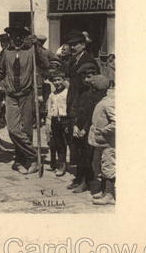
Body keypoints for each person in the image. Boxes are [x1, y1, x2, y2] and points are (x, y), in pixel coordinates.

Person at [0, 24, 49, 174]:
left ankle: (22, 160)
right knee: (12, 130)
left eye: (20, 35)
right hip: (11, 95)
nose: (17, 38)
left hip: (26, 94)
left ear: (24, 37)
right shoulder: (7, 52)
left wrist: (37, 46)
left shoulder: (31, 51)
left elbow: (45, 64)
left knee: (26, 130)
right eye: (13, 35)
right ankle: (34, 156)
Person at [68, 62, 105, 194]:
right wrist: (75, 126)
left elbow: (92, 114)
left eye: (89, 77)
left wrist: (84, 128)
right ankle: (79, 179)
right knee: (79, 154)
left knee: (88, 156)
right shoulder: (83, 92)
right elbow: (78, 110)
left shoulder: (98, 94)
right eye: (84, 77)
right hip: (80, 128)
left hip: (90, 129)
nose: (86, 80)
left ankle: (87, 182)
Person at [87, 75, 116, 205]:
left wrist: (104, 130)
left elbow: (116, 122)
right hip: (99, 141)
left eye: (93, 89)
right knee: (99, 165)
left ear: (97, 90)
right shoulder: (101, 101)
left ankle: (109, 195)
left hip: (107, 143)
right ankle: (104, 190)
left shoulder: (108, 103)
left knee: (108, 166)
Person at [45, 70, 70, 177]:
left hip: (66, 120)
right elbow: (50, 109)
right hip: (55, 120)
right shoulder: (52, 95)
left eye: (59, 80)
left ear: (63, 80)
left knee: (68, 142)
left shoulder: (67, 93)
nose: (57, 82)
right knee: (59, 143)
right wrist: (49, 123)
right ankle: (61, 164)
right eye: (54, 80)